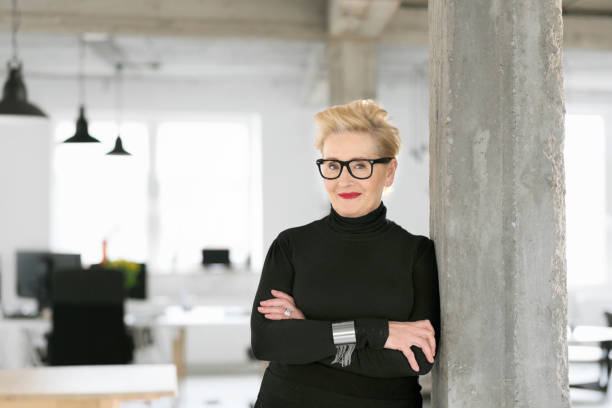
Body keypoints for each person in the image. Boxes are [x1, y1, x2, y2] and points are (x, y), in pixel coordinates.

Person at [250, 99, 441, 408]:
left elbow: (417, 358)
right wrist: (375, 332)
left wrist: (309, 336)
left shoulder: (416, 253)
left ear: (389, 171)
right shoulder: (290, 246)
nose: (344, 179)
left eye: (361, 165)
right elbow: (268, 342)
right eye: (333, 165)